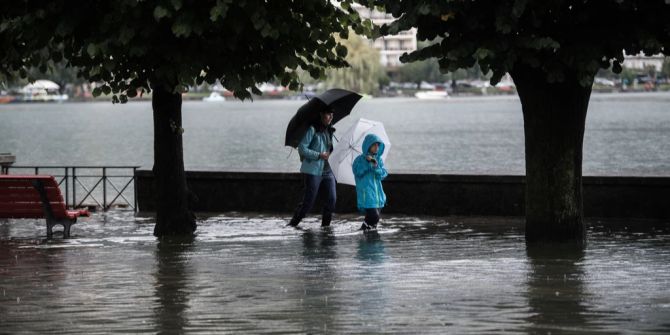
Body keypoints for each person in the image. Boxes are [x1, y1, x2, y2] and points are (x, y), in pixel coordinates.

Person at [288, 109, 337, 227]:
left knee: (331, 200)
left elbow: (329, 150)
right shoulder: (312, 129)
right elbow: (302, 149)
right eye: (327, 114)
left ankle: (326, 228)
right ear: (321, 114)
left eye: (332, 115)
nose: (330, 117)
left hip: (328, 171)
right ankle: (293, 224)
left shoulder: (329, 131)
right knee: (308, 203)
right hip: (313, 171)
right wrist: (319, 155)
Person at [352, 133, 388, 231]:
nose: (376, 147)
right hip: (366, 195)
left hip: (378, 195)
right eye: (374, 145)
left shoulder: (378, 160)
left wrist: (375, 165)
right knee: (374, 217)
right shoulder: (359, 160)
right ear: (368, 145)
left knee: (373, 223)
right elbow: (357, 172)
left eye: (378, 145)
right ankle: (362, 231)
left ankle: (368, 239)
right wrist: (368, 164)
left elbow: (383, 174)